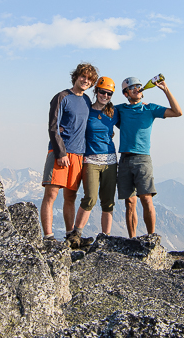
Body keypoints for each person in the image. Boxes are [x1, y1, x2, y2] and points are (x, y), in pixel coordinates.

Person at [116, 76, 182, 238]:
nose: (137, 89)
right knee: (130, 203)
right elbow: (103, 112)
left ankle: (151, 238)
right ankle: (132, 240)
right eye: (132, 88)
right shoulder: (119, 109)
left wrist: (165, 89)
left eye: (139, 86)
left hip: (142, 159)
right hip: (124, 159)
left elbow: (177, 112)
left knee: (146, 199)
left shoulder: (150, 109)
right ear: (126, 93)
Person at [40, 63, 98, 241]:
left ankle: (69, 235)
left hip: (79, 155)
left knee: (70, 197)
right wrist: (61, 153)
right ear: (76, 77)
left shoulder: (87, 100)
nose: (85, 80)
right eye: (83, 76)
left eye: (89, 79)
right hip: (60, 153)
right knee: (51, 194)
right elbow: (53, 127)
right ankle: (48, 237)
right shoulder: (61, 97)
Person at [65, 76, 119, 248]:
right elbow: (73, 121)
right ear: (96, 91)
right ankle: (76, 235)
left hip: (111, 161)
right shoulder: (87, 110)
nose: (105, 96)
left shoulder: (114, 112)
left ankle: (106, 239)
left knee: (108, 201)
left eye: (109, 94)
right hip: (90, 160)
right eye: (102, 92)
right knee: (90, 198)